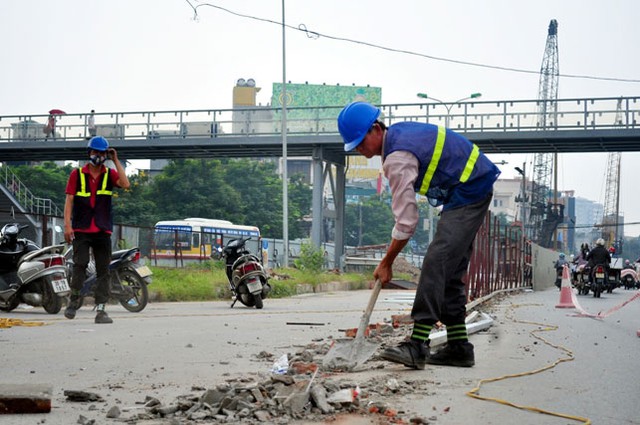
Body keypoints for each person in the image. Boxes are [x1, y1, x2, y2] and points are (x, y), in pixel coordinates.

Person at [337, 101, 500, 369]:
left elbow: (407, 222)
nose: (358, 148)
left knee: (437, 260)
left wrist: (386, 262)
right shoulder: (399, 136)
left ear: (375, 129)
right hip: (468, 187)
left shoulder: (397, 157)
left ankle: (417, 345)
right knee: (450, 267)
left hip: (470, 189)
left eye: (359, 142)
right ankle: (459, 347)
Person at [63, 136, 130, 324]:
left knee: (103, 271)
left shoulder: (109, 174)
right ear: (89, 153)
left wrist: (116, 159)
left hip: (102, 230)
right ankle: (73, 301)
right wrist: (67, 226)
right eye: (95, 152)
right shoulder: (77, 174)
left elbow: (126, 184)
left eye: (102, 153)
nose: (98, 155)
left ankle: (101, 311)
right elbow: (69, 200)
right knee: (80, 265)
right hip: (82, 229)